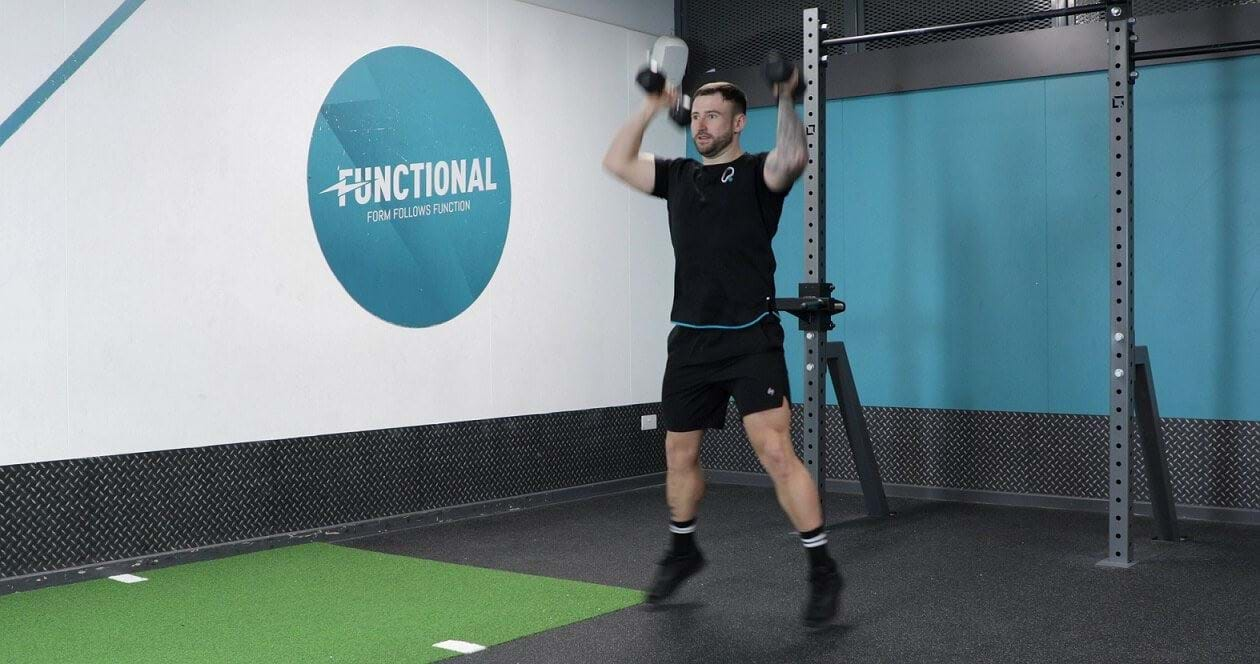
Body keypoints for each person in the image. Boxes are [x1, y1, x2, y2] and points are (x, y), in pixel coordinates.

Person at [601, 68, 843, 627]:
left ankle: (823, 568)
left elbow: (794, 158)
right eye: (698, 114)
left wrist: (787, 99)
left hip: (750, 337)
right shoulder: (679, 176)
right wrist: (651, 105)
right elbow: (616, 161)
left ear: (738, 123)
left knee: (777, 452)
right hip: (690, 339)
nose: (703, 124)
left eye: (715, 116)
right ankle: (683, 548)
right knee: (678, 454)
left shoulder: (759, 173)